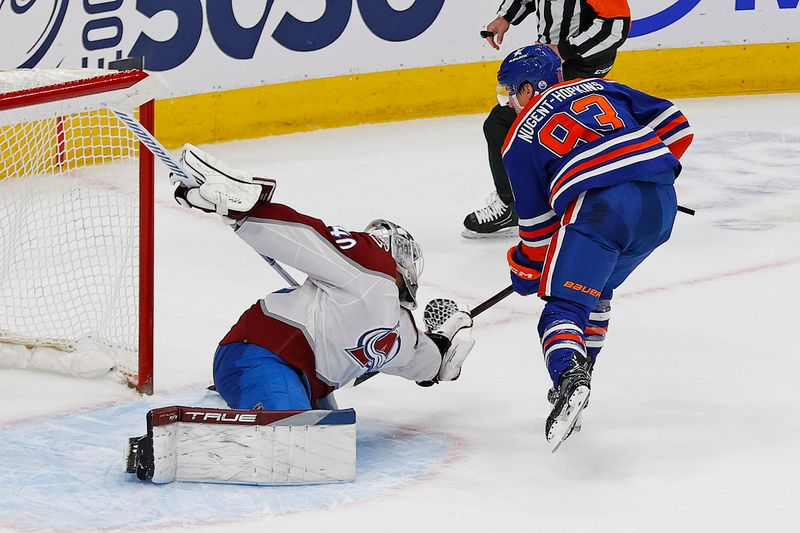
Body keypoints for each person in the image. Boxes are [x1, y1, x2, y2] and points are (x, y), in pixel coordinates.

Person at [171, 145, 475, 411]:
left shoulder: (403, 333)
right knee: (292, 438)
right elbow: (309, 239)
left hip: (301, 379)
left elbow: (425, 363)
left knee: (324, 437)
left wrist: (445, 345)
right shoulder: (373, 267)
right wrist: (245, 211)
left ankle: (251, 401)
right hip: (262, 355)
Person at [497, 45, 693, 449]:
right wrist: (643, 172)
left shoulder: (517, 140)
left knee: (564, 307)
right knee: (596, 290)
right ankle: (582, 379)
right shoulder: (604, 88)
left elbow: (535, 231)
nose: (509, 102)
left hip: (603, 210)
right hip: (661, 205)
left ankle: (569, 377)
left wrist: (524, 271)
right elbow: (677, 127)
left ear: (532, 88)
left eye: (512, 92)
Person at [464, 0, 631, 238]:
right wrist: (506, 16)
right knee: (513, 124)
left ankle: (523, 205)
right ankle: (536, 203)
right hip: (551, 61)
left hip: (581, 63)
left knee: (513, 124)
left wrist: (564, 49)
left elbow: (616, 27)